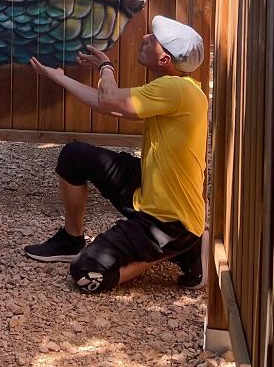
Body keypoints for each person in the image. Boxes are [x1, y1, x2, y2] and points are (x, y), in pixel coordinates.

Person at [24, 15, 207, 294]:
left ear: (164, 60)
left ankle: (176, 248)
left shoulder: (176, 89)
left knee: (87, 274)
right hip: (149, 190)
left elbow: (108, 97)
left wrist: (106, 67)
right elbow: (107, 105)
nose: (145, 39)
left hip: (169, 220)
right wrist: (59, 78)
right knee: (75, 156)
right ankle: (71, 239)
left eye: (153, 39)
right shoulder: (176, 88)